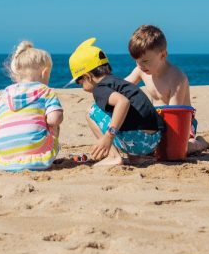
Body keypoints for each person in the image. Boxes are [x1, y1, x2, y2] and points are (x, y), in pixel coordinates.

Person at [67, 38, 166, 166]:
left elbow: (123, 102)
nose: (80, 86)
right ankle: (135, 158)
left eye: (79, 82)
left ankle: (113, 156)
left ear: (87, 76)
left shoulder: (99, 89)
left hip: (138, 140)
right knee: (122, 114)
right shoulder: (118, 82)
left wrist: (109, 136)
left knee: (91, 111)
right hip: (155, 140)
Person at [125, 25, 209, 154]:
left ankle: (201, 143)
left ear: (163, 55)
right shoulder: (141, 70)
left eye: (145, 61)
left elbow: (175, 116)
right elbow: (123, 86)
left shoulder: (176, 79)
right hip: (156, 122)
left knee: (180, 149)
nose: (141, 66)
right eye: (137, 61)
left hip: (182, 122)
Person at [0, 41, 64, 171]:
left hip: (4, 157)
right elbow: (54, 119)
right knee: (54, 124)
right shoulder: (46, 91)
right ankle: (39, 151)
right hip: (36, 157)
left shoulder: (5, 94)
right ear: (45, 73)